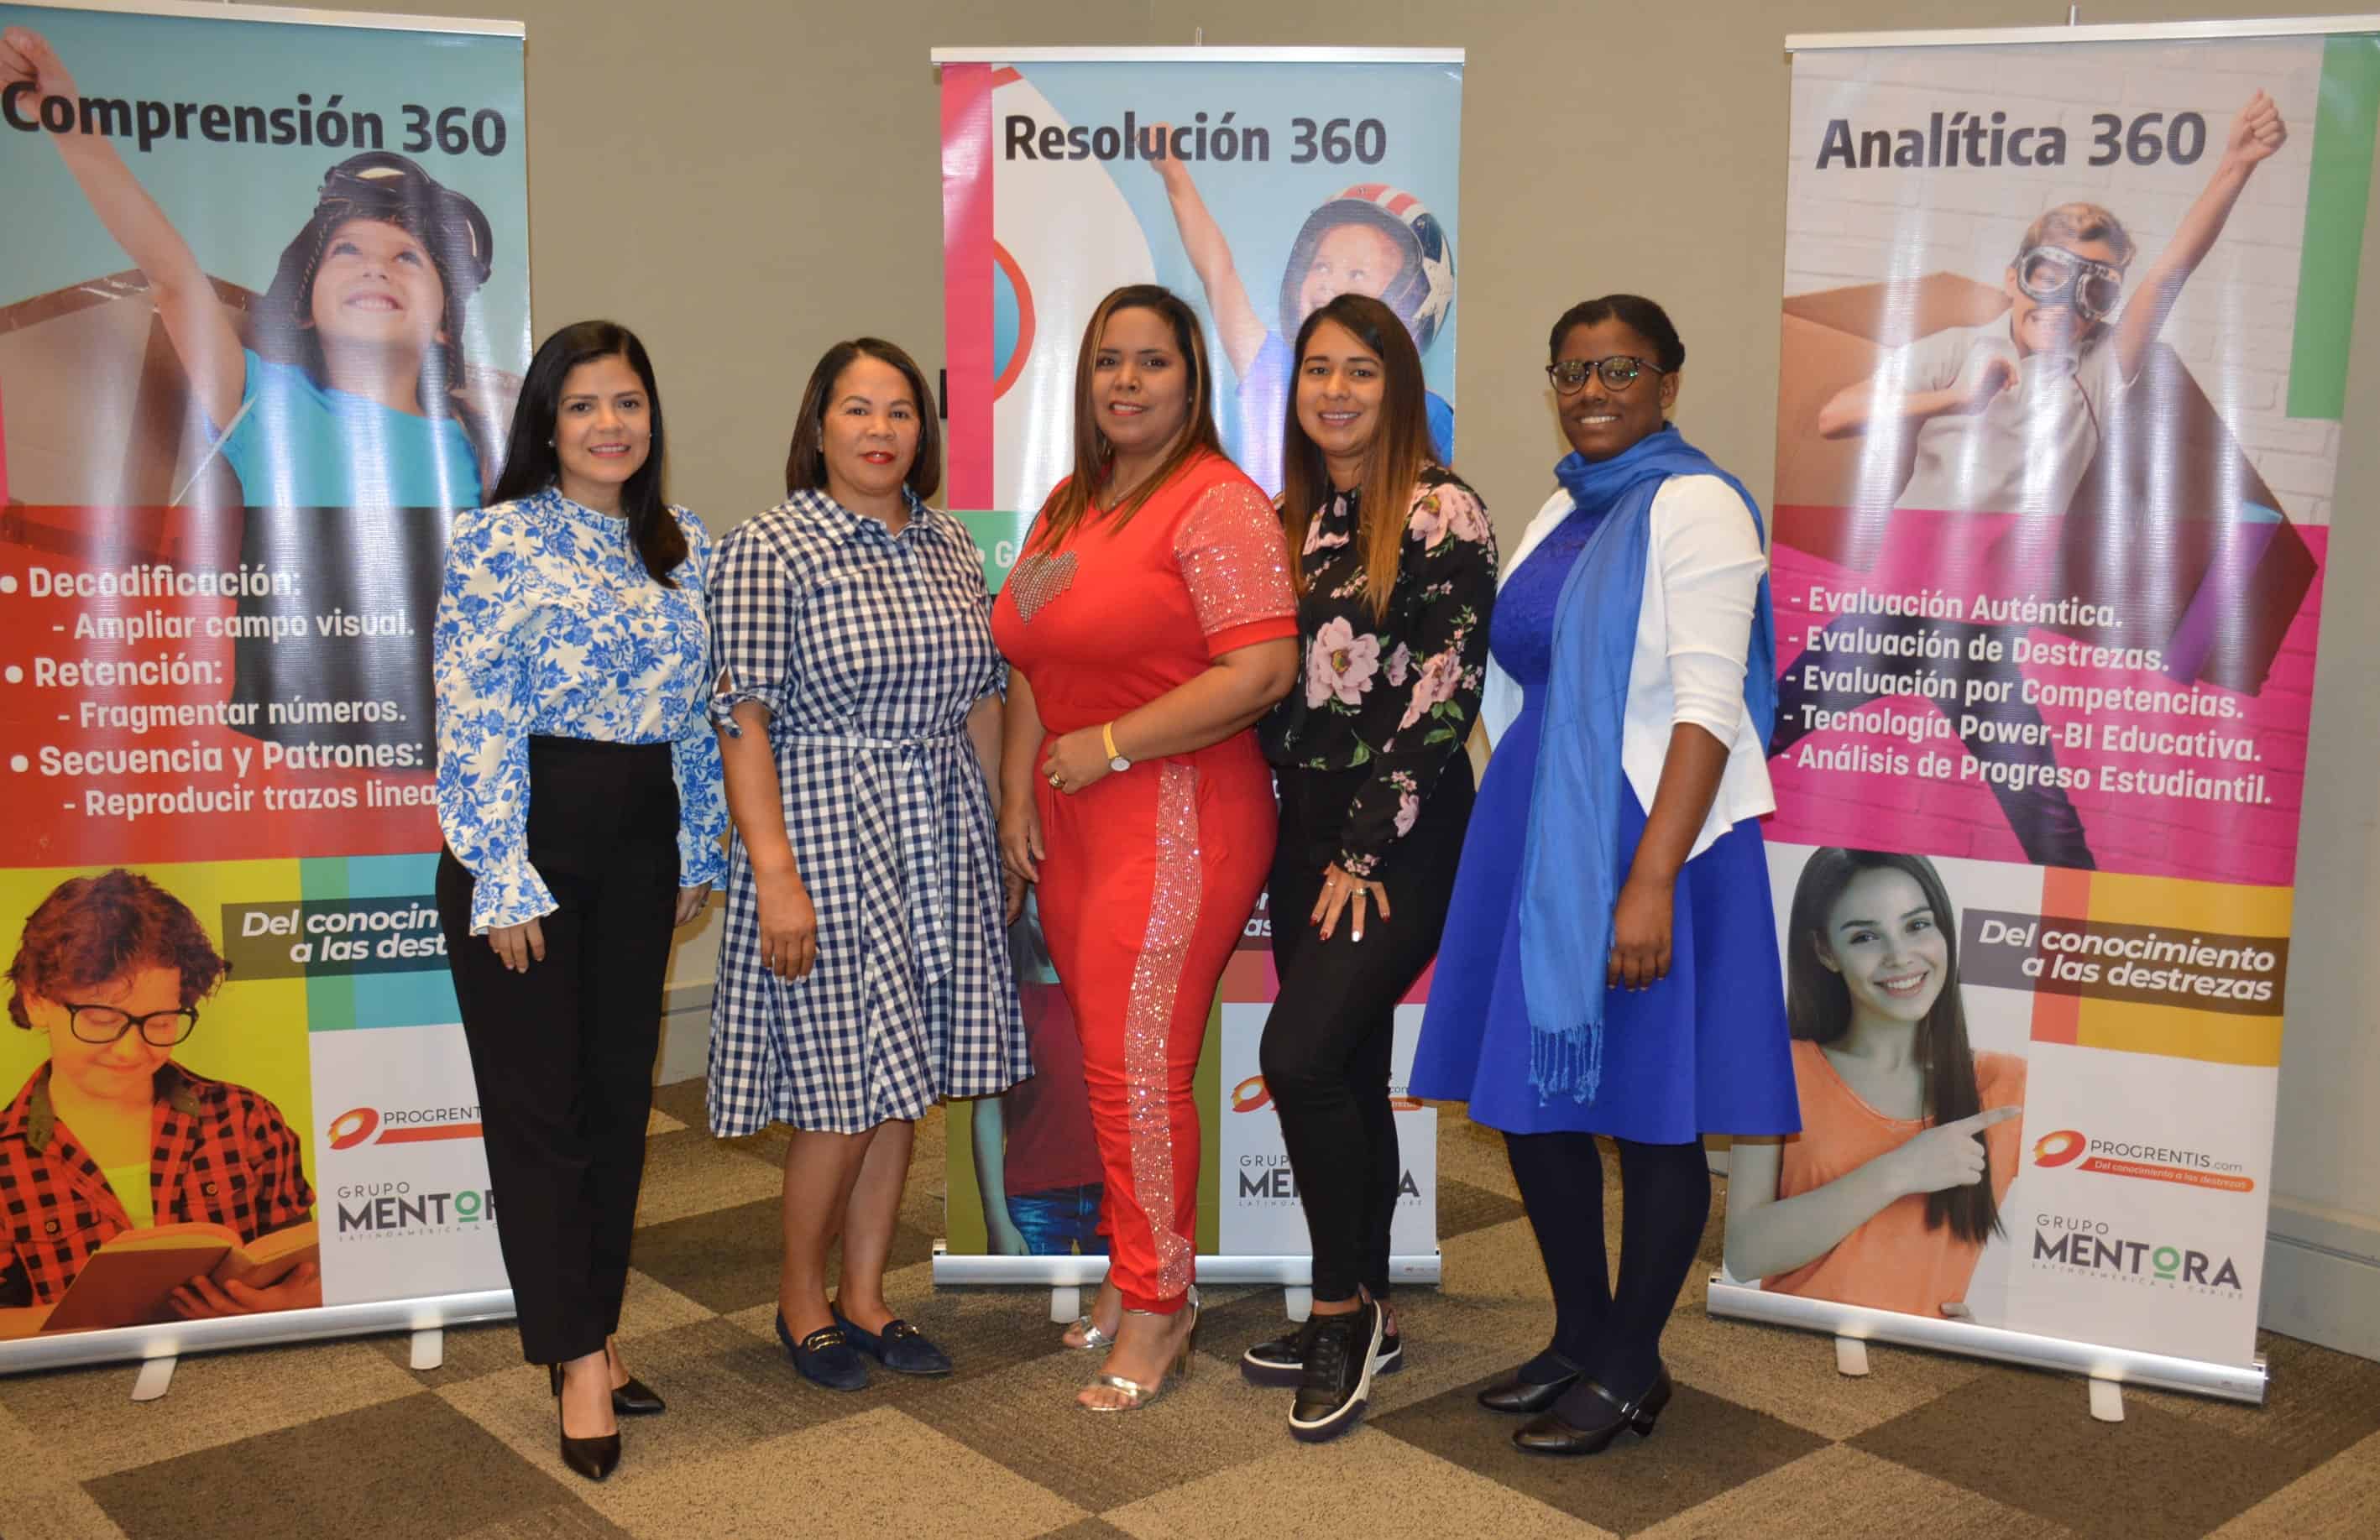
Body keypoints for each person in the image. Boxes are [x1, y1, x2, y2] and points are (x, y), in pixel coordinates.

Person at [1409, 295, 1799, 1456]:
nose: (1591, 390)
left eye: (1619, 369)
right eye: (1571, 370)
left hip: (1650, 836)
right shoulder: (1561, 504)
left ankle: (1634, 1359)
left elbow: (1706, 703)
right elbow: (1518, 675)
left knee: (1648, 1111)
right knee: (1537, 1101)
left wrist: (1645, 879)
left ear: (1667, 383)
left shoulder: (1696, 506)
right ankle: (1580, 1330)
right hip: (1543, 830)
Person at [1773, 95, 2289, 868]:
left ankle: (2080, 954)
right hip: (1888, 611)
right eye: (2049, 272)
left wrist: (2235, 164)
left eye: (2096, 287)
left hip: (1982, 634)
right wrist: (1952, 399)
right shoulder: (1956, 349)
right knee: (1751, 743)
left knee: (2050, 829)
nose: (2065, 301)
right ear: (2014, 277)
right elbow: (1834, 416)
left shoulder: (2099, 371)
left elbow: (2175, 267)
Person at [992, 284, 1298, 1411]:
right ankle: (1134, 1278)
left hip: (1174, 810)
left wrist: (1107, 744)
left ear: (1190, 379)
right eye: (1108, 361)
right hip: (1073, 812)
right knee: (1108, 1067)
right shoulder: (1073, 498)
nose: (1125, 380)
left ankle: (1161, 1303)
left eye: (1151, 362)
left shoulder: (1215, 503)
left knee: (1137, 1070)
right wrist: (1024, 788)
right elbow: (1031, 652)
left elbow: (1257, 673)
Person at [433, 320, 724, 1483]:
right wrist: (501, 873)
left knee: (615, 1100)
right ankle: (576, 1357)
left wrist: (698, 840)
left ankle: (590, 1325)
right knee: (538, 1110)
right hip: (528, 835)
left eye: (629, 402)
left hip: (641, 837)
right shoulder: (494, 537)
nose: (612, 423)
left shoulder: (682, 542)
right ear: (545, 423)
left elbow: (698, 708)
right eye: (586, 404)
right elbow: (474, 708)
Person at [706, 337, 1026, 1396]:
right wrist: (775, 873)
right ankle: (799, 1298)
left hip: (937, 828)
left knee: (907, 1080)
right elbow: (741, 718)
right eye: (857, 409)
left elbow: (981, 694)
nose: (881, 429)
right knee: (844, 1088)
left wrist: (996, 826)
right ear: (820, 425)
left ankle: (868, 1293)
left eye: (899, 411)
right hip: (825, 828)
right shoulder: (769, 546)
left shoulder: (945, 543)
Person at [1237, 293, 1493, 1440]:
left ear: (1396, 385)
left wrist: (1360, 843)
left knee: (1294, 1052)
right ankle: (1374, 1306)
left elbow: (1446, 692)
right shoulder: (1289, 516)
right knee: (1340, 1058)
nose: (1333, 391)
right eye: (1315, 371)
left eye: (1359, 371)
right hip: (1304, 828)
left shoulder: (1442, 511)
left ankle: (1337, 1305)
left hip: (1403, 826)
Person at [1724, 849, 2027, 1318]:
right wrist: (1900, 1170)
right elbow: (1744, 1254)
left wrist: (1995, 1334)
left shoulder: (2005, 1085)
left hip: (1922, 1370)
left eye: (1917, 925)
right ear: (1826, 952)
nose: (1900, 957)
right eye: (1866, 936)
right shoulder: (1779, 1067)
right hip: (1790, 1357)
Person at [0, 869, 317, 1318]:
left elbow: (305, 1272)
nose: (131, 1050)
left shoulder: (246, 1120)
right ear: (36, 1001)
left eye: (161, 1021)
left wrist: (289, 1305)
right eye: (100, 1019)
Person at [1149, 157, 1454, 493]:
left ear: (1414, 297)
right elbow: (1218, 272)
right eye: (1321, 266)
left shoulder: (1430, 415)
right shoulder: (1278, 371)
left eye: (1357, 274)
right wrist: (1173, 172)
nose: (1329, 284)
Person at [971, 892, 1106, 1258]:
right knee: (1026, 1312)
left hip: (1113, 1192)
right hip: (1032, 1197)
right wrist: (996, 1218)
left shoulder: (1112, 991)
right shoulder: (1005, 999)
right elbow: (987, 1112)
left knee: (1125, 1312)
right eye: (1037, 891)